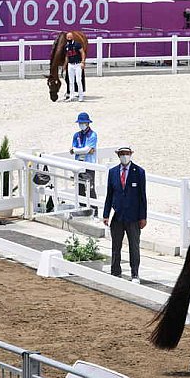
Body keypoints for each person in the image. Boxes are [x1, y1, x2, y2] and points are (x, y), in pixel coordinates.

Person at [103, 146, 147, 284]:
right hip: (117, 215)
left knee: (134, 246)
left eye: (126, 154)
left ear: (131, 154)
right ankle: (115, 271)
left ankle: (135, 274)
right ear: (118, 155)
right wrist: (106, 214)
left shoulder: (139, 172)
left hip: (133, 216)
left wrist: (143, 217)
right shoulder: (113, 172)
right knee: (116, 246)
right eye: (122, 154)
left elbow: (142, 196)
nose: (124, 156)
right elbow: (109, 194)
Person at [69, 112, 98, 217]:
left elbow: (86, 150)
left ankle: (94, 212)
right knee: (80, 187)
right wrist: (82, 151)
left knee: (90, 188)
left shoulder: (93, 135)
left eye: (83, 122)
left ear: (88, 123)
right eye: (80, 123)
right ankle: (82, 210)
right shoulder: (76, 135)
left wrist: (77, 150)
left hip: (89, 165)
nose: (81, 124)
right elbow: (76, 149)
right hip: (79, 165)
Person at [63, 32, 86, 102]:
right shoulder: (66, 46)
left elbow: (82, 52)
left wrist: (83, 62)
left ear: (73, 37)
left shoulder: (77, 44)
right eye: (68, 37)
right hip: (70, 64)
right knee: (71, 81)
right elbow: (67, 56)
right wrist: (65, 65)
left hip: (78, 64)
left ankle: (81, 96)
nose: (69, 38)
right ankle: (71, 96)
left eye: (70, 37)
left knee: (78, 80)